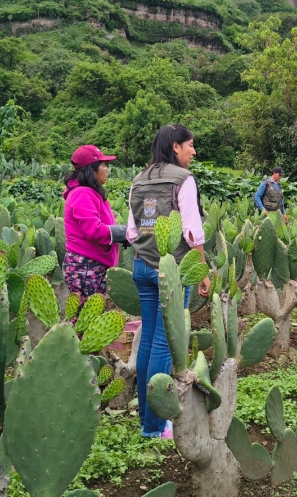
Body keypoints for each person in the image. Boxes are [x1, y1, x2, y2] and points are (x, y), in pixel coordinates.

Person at [127, 124, 211, 439]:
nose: (193, 151)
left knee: (149, 338)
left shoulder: (139, 179)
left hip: (140, 265)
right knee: (165, 341)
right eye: (190, 145)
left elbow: (133, 231)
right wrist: (200, 268)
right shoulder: (183, 179)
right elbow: (192, 231)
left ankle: (146, 420)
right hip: (172, 269)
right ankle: (155, 425)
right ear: (175, 147)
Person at [62, 145, 127, 311]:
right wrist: (125, 232)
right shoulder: (82, 193)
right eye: (103, 165)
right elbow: (94, 230)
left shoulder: (89, 192)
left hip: (92, 265)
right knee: (84, 319)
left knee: (90, 317)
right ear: (91, 170)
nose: (106, 170)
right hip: (85, 266)